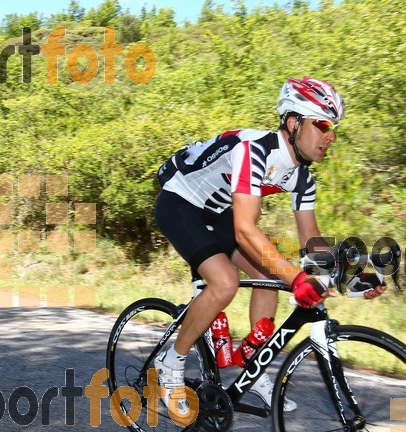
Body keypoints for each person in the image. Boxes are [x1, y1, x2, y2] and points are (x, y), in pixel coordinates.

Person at [153, 76, 385, 413]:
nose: (330, 135)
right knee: (225, 282)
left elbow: (312, 246)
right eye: (322, 124)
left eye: (333, 128)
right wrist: (297, 279)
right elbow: (246, 229)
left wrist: (352, 281)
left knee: (271, 278)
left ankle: (252, 364)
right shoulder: (254, 150)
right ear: (293, 122)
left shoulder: (302, 177)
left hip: (217, 213)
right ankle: (170, 361)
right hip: (180, 203)